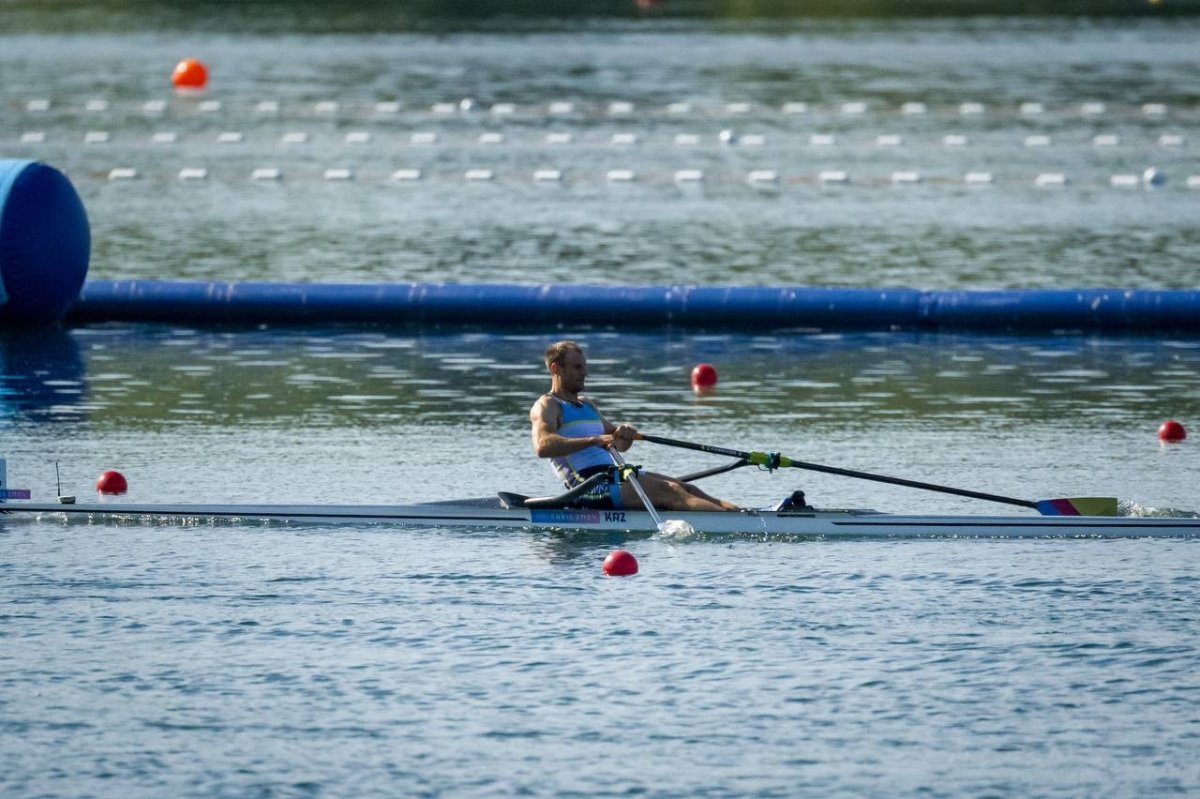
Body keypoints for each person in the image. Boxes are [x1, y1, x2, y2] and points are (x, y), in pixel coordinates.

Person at [530, 340, 738, 512]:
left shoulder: (586, 404)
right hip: (587, 487)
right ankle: (737, 525)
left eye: (584, 366)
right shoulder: (548, 405)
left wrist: (624, 433)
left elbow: (619, 445)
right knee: (671, 492)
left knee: (686, 488)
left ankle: (744, 515)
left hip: (613, 475)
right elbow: (543, 446)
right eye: (577, 367)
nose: (585, 373)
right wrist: (594, 440)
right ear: (556, 368)